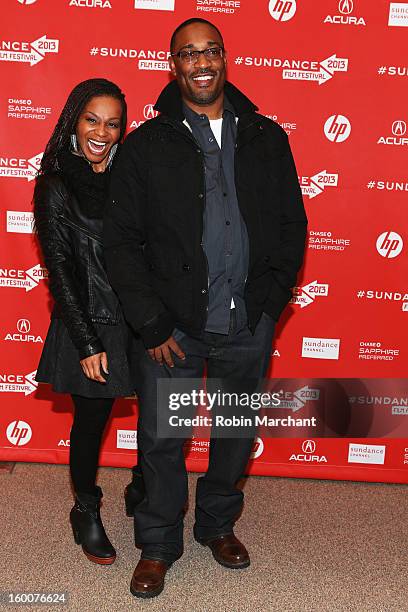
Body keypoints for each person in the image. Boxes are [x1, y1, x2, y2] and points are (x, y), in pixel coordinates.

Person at [104, 18, 307, 597]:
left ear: (224, 58)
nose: (200, 63)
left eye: (210, 51)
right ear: (174, 65)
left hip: (248, 319)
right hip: (174, 328)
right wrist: (151, 321)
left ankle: (217, 526)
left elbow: (293, 224)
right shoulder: (147, 144)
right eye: (188, 53)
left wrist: (270, 303)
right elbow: (121, 242)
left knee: (236, 432)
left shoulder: (267, 137)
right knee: (164, 439)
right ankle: (158, 543)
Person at [34, 78, 140, 566]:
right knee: (92, 422)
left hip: (141, 321)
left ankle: (144, 490)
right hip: (91, 322)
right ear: (74, 121)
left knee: (164, 413)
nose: (102, 131)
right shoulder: (57, 185)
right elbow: (59, 269)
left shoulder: (132, 178)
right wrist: (86, 342)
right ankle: (86, 510)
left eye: (113, 123)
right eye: (92, 119)